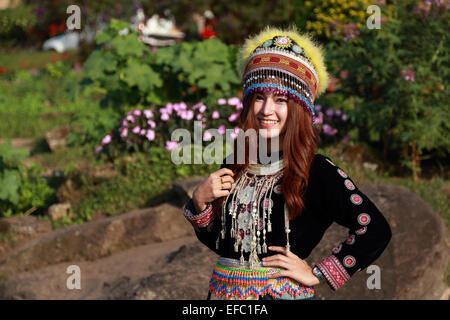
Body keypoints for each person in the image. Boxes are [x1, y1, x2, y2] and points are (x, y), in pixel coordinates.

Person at [182, 26, 392, 300]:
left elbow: (374, 228)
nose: (267, 110)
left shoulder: (316, 171)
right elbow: (224, 244)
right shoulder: (235, 164)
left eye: (281, 100)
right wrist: (200, 202)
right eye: (259, 97)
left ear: (299, 110)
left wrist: (317, 273)